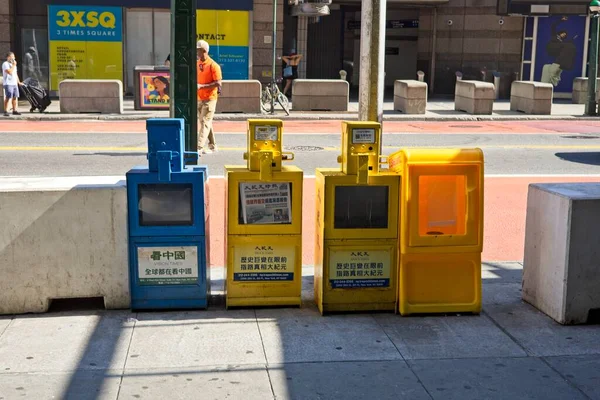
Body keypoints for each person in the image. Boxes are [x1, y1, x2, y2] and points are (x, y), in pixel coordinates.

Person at [196, 40, 222, 154]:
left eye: (198, 50)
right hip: (200, 98)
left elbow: (218, 83)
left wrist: (202, 86)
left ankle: (199, 147)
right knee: (206, 122)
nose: (196, 52)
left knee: (205, 122)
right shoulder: (198, 63)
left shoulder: (213, 65)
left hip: (210, 98)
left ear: (204, 51)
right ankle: (213, 145)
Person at [541, 16, 577, 87]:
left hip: (556, 49)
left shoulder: (562, 42)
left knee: (569, 46)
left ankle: (565, 64)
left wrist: (573, 39)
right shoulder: (555, 36)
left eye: (565, 35)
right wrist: (561, 20)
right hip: (551, 47)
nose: (563, 35)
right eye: (563, 34)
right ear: (560, 33)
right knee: (567, 46)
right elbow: (553, 26)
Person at [2, 52, 23, 116]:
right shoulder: (5, 64)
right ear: (8, 57)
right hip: (8, 83)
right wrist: (13, 65)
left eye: (14, 57)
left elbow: (15, 74)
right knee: (8, 97)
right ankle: (5, 111)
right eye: (12, 56)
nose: (13, 58)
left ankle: (14, 110)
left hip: (14, 83)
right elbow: (9, 72)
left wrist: (19, 82)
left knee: (15, 97)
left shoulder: (14, 65)